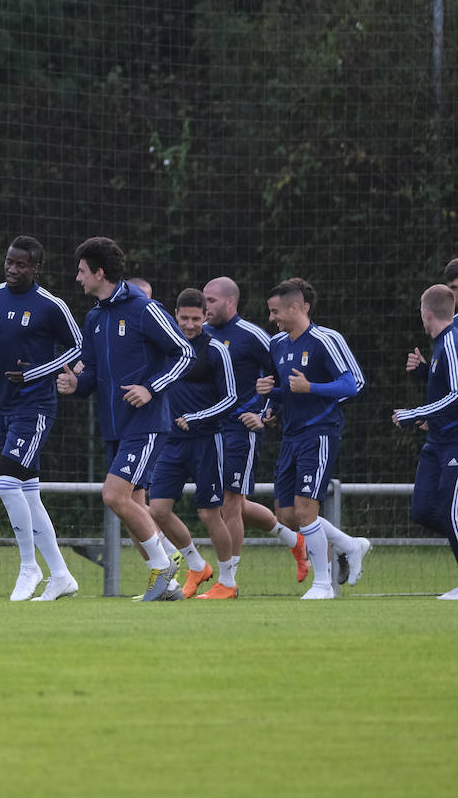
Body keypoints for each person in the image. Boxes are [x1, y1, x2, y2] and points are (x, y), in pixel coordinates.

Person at [56, 237, 194, 601]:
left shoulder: (144, 309)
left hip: (146, 423)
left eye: (83, 271)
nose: (78, 278)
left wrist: (150, 388)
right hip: (114, 426)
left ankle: (164, 567)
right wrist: (75, 382)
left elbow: (184, 353)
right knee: (134, 504)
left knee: (114, 495)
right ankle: (171, 586)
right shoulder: (95, 316)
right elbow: (93, 372)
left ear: (100, 273)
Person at [0, 236, 82, 601]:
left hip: (36, 406)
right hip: (3, 406)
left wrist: (39, 372)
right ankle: (60, 575)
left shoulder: (49, 305)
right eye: (9, 261)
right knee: (27, 491)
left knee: (7, 482)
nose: (12, 268)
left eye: (21, 264)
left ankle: (29, 567)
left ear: (36, 267)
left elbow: (77, 345)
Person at [256, 278, 370, 599]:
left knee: (306, 513)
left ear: (296, 307)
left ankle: (323, 585)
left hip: (320, 433)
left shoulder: (325, 339)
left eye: (275, 311)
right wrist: (271, 401)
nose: (272, 318)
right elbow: (287, 391)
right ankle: (349, 544)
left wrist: (313, 388)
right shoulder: (278, 344)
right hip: (290, 436)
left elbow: (353, 384)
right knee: (288, 516)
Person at [203, 277, 310, 595]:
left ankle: (228, 582)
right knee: (235, 504)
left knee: (230, 504)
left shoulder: (253, 336)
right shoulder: (203, 335)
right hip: (210, 429)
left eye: (211, 300)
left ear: (230, 303)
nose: (205, 306)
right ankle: (295, 541)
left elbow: (280, 377)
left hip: (241, 429)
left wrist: (264, 412)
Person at [145, 288, 237, 599]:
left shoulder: (215, 350)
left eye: (196, 318)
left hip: (207, 440)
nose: (189, 324)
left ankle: (228, 583)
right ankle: (197, 566)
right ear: (175, 315)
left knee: (210, 513)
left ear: (205, 317)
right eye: (183, 317)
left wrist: (197, 417)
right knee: (156, 509)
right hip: (171, 440)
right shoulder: (166, 347)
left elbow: (231, 398)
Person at [392, 285, 458, 600]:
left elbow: (457, 394)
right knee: (422, 510)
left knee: (448, 510)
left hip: (454, 442)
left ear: (426, 313)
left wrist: (413, 413)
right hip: (436, 441)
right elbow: (444, 387)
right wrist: (423, 373)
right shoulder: (440, 345)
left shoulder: (453, 341)